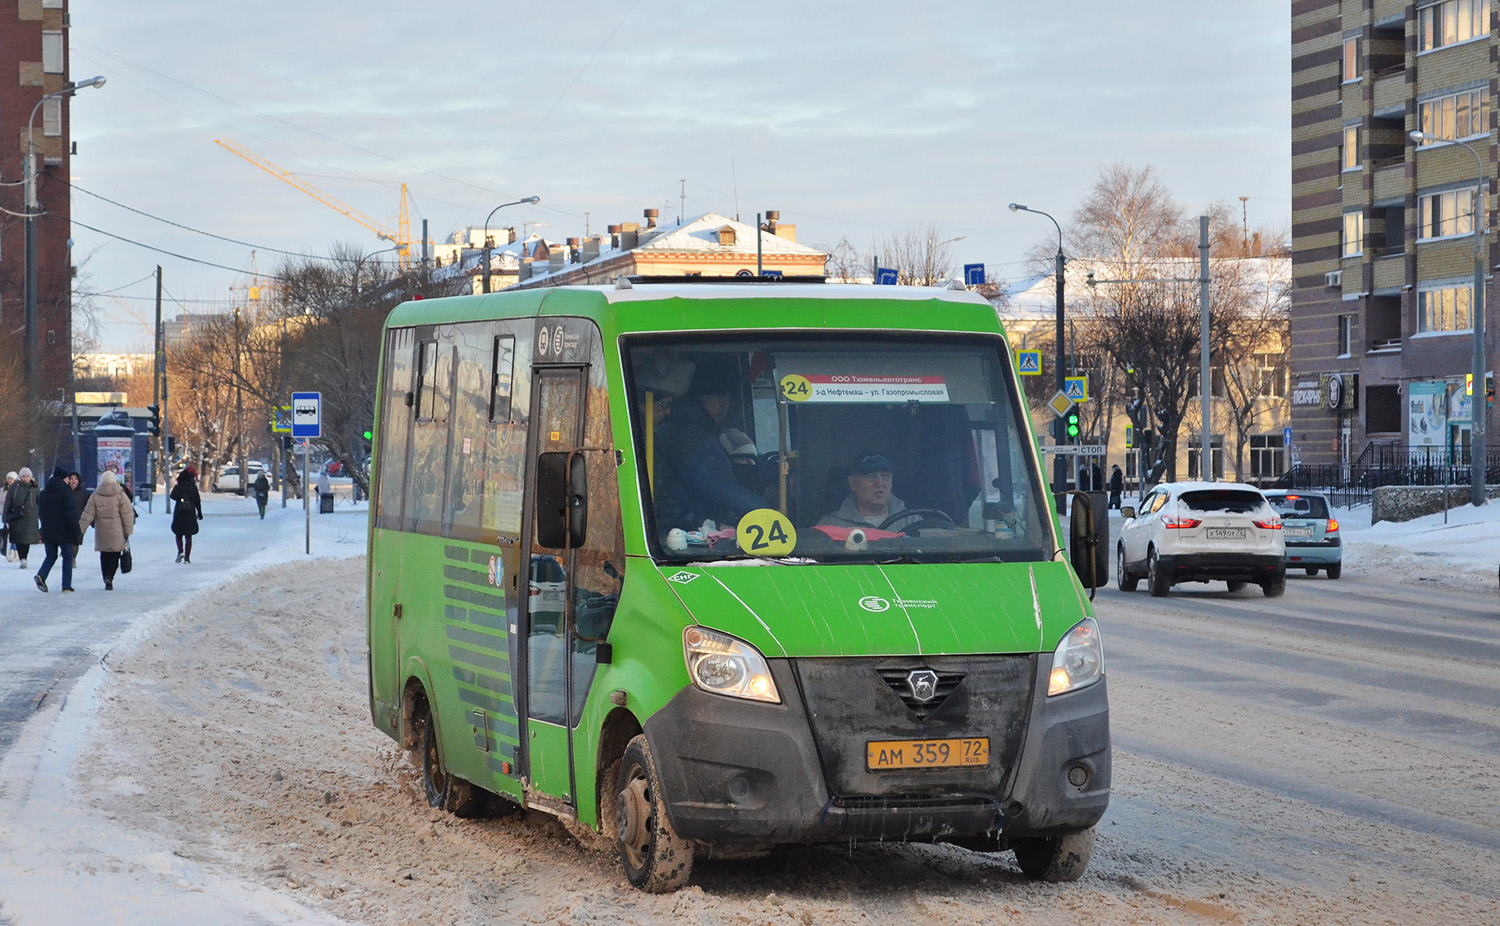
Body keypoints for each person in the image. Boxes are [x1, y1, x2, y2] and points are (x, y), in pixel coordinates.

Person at [652, 366, 766, 529]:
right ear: (701, 397)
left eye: (727, 399)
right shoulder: (688, 435)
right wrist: (764, 512)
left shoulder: (686, 429)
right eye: (719, 397)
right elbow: (717, 487)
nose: (724, 405)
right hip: (689, 526)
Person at [818, 451, 917, 530]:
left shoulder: (912, 522)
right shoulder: (830, 525)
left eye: (885, 476)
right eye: (870, 477)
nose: (879, 483)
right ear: (852, 483)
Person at [79, 470, 135, 590]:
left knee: (104, 555)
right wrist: (128, 530)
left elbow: (87, 514)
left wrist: (80, 530)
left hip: (102, 530)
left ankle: (105, 576)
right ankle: (110, 576)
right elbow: (127, 514)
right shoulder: (120, 494)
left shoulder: (95, 495)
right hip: (117, 530)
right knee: (115, 554)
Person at [34, 466, 82, 593]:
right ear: (62, 479)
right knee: (67, 557)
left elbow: (41, 512)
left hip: (48, 530)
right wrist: (77, 531)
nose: (68, 481)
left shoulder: (44, 493)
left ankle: (42, 575)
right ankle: (66, 585)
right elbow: (70, 513)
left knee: (51, 555)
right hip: (64, 531)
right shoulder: (66, 492)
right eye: (67, 478)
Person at [5, 467, 39, 568]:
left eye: (27, 476)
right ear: (20, 477)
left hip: (31, 517)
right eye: (23, 476)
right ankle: (22, 558)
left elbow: (39, 502)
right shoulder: (14, 488)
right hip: (18, 517)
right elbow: (8, 502)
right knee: (19, 538)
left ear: (31, 477)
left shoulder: (35, 488)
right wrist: (5, 516)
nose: (25, 478)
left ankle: (25, 557)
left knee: (27, 540)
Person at [170, 466, 204, 563]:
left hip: (179, 514)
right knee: (188, 536)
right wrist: (200, 512)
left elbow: (172, 496)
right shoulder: (192, 487)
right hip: (190, 514)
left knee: (178, 534)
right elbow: (197, 500)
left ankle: (180, 551)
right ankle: (187, 558)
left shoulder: (178, 487)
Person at [0, 471, 14, 561]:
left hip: (13, 514)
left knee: (13, 533)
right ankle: (4, 550)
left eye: (11, 478)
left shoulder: (16, 488)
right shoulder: (3, 489)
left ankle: (13, 551)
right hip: (4, 513)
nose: (9, 480)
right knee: (5, 532)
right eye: (8, 478)